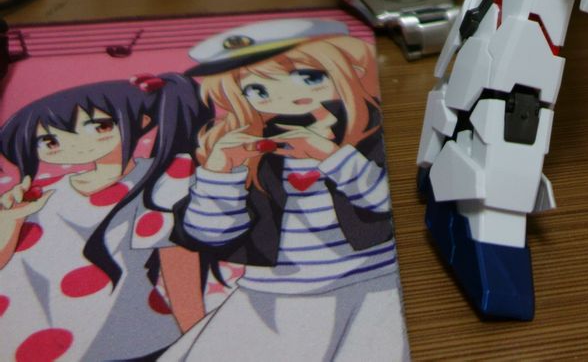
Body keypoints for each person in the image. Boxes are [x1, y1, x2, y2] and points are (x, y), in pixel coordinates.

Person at [161, 18, 408, 361]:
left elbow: (388, 205)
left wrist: (333, 157)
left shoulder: (369, 129)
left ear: (347, 69)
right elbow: (210, 235)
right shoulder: (243, 146)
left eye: (310, 77)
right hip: (268, 298)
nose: (288, 96)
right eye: (258, 90)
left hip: (369, 288)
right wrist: (220, 172)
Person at [0, 72, 209, 361]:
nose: (76, 144)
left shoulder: (160, 181)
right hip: (29, 341)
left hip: (125, 338)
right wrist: (9, 221)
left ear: (143, 120)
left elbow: (179, 267)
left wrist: (197, 341)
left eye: (99, 127)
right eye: (49, 140)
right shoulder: (37, 195)